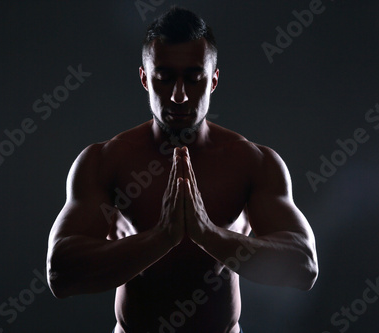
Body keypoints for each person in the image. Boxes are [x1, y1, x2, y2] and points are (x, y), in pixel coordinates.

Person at [46, 6, 318, 333]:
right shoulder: (105, 161)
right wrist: (162, 238)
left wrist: (208, 235)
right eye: (164, 78)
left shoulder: (252, 163)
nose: (178, 96)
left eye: (193, 78)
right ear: (145, 79)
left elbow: (304, 266)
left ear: (213, 80)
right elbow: (60, 274)